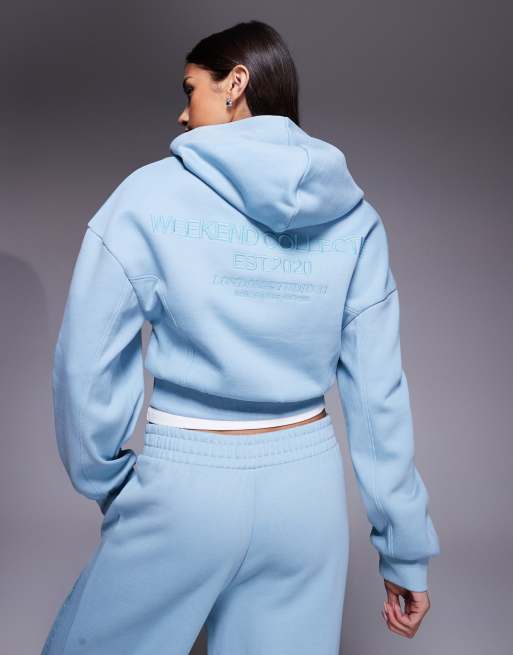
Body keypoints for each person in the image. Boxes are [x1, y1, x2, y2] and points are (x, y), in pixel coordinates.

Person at [41, 19, 440, 655]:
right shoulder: (355, 218)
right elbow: (378, 397)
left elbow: (84, 365)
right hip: (308, 498)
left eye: (190, 89)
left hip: (184, 487)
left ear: (235, 84)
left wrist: (107, 482)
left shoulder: (146, 197)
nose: (182, 113)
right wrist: (404, 551)